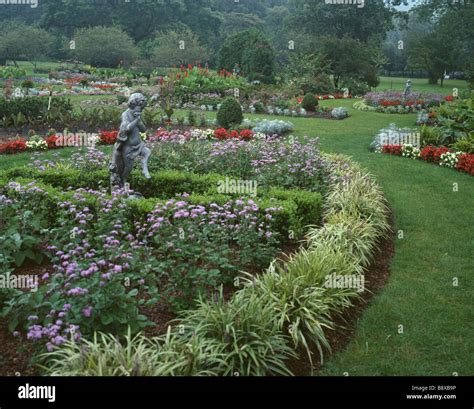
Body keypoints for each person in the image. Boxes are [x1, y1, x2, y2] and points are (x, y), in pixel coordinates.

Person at [109, 93, 151, 189]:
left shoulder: (137, 115)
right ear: (132, 106)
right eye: (137, 109)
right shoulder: (126, 114)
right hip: (128, 147)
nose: (139, 111)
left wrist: (139, 121)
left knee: (147, 152)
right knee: (128, 168)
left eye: (141, 109)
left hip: (139, 144)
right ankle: (123, 184)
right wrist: (136, 120)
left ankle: (144, 167)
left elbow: (143, 130)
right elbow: (127, 128)